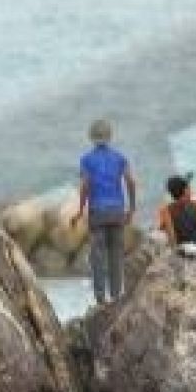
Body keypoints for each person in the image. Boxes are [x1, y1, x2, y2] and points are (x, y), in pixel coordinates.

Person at [71, 118, 137, 304]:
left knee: (98, 256)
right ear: (110, 136)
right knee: (116, 254)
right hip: (117, 209)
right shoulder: (120, 158)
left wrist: (80, 210)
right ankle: (116, 296)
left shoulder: (86, 160)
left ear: (91, 138)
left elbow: (85, 185)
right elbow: (130, 182)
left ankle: (101, 298)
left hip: (97, 211)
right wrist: (131, 208)